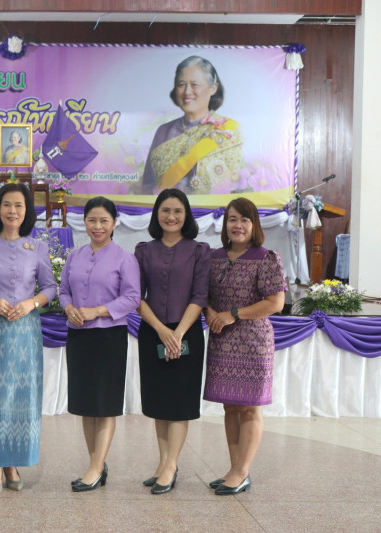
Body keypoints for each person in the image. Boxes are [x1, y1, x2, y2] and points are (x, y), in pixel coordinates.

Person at [0, 182, 57, 495]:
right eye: (7, 204)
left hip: (25, 333)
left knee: (21, 398)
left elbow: (50, 288)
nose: (12, 210)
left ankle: (13, 463)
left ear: (27, 211)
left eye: (19, 205)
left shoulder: (37, 247)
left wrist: (31, 303)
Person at [203, 197, 286, 495]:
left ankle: (242, 471)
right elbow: (202, 296)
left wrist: (233, 314)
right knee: (230, 405)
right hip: (222, 339)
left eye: (244, 220)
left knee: (249, 407)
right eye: (232, 219)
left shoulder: (266, 258)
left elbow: (276, 303)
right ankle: (234, 468)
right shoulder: (213, 257)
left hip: (253, 341)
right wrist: (211, 313)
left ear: (254, 225)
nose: (238, 225)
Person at [60, 197, 141, 492]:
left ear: (114, 223)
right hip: (79, 336)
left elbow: (132, 297)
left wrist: (98, 311)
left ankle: (95, 468)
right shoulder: (75, 255)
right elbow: (63, 290)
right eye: (92, 220)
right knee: (86, 404)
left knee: (104, 404)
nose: (98, 226)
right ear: (84, 222)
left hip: (109, 337)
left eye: (104, 221)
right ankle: (97, 462)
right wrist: (69, 308)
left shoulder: (124, 258)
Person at [135, 189, 210, 495]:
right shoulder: (144, 250)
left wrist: (177, 333)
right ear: (157, 214)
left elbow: (200, 296)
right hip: (152, 332)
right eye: (165, 210)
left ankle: (171, 466)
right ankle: (163, 462)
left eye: (178, 211)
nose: (171, 216)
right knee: (159, 402)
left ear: (186, 215)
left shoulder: (199, 250)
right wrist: (161, 331)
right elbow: (136, 296)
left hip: (186, 332)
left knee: (179, 403)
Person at [141, 55, 243, 195]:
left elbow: (239, 186)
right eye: (181, 85)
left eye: (194, 84)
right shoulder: (164, 131)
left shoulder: (228, 130)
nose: (187, 92)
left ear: (213, 88)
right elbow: (147, 187)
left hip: (215, 209)